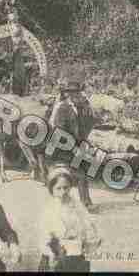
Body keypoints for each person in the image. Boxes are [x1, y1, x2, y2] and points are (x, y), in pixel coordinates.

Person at [38, 166, 101, 272]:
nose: (63, 192)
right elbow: (44, 235)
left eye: (66, 187)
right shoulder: (49, 209)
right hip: (56, 255)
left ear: (70, 187)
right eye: (58, 188)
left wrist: (90, 244)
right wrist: (50, 253)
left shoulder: (77, 206)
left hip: (77, 254)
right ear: (51, 189)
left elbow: (89, 226)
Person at [48, 80, 98, 214]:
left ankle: (84, 203)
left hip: (77, 147)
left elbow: (87, 125)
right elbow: (59, 131)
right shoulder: (62, 108)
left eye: (77, 92)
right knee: (76, 176)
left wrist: (86, 143)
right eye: (72, 93)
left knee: (81, 174)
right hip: (63, 149)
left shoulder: (82, 107)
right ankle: (83, 204)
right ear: (68, 94)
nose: (75, 95)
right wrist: (72, 147)